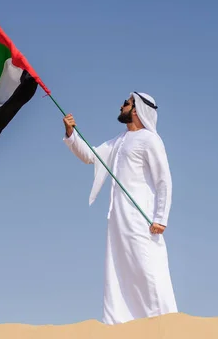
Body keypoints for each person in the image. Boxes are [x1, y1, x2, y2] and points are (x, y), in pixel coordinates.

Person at [62, 92, 178, 325]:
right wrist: (71, 133)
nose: (121, 105)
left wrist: (161, 217)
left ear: (136, 110)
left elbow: (163, 180)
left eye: (126, 103)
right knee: (117, 270)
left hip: (141, 219)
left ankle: (163, 324)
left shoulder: (150, 140)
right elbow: (90, 156)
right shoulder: (118, 141)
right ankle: (118, 324)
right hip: (117, 219)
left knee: (147, 268)